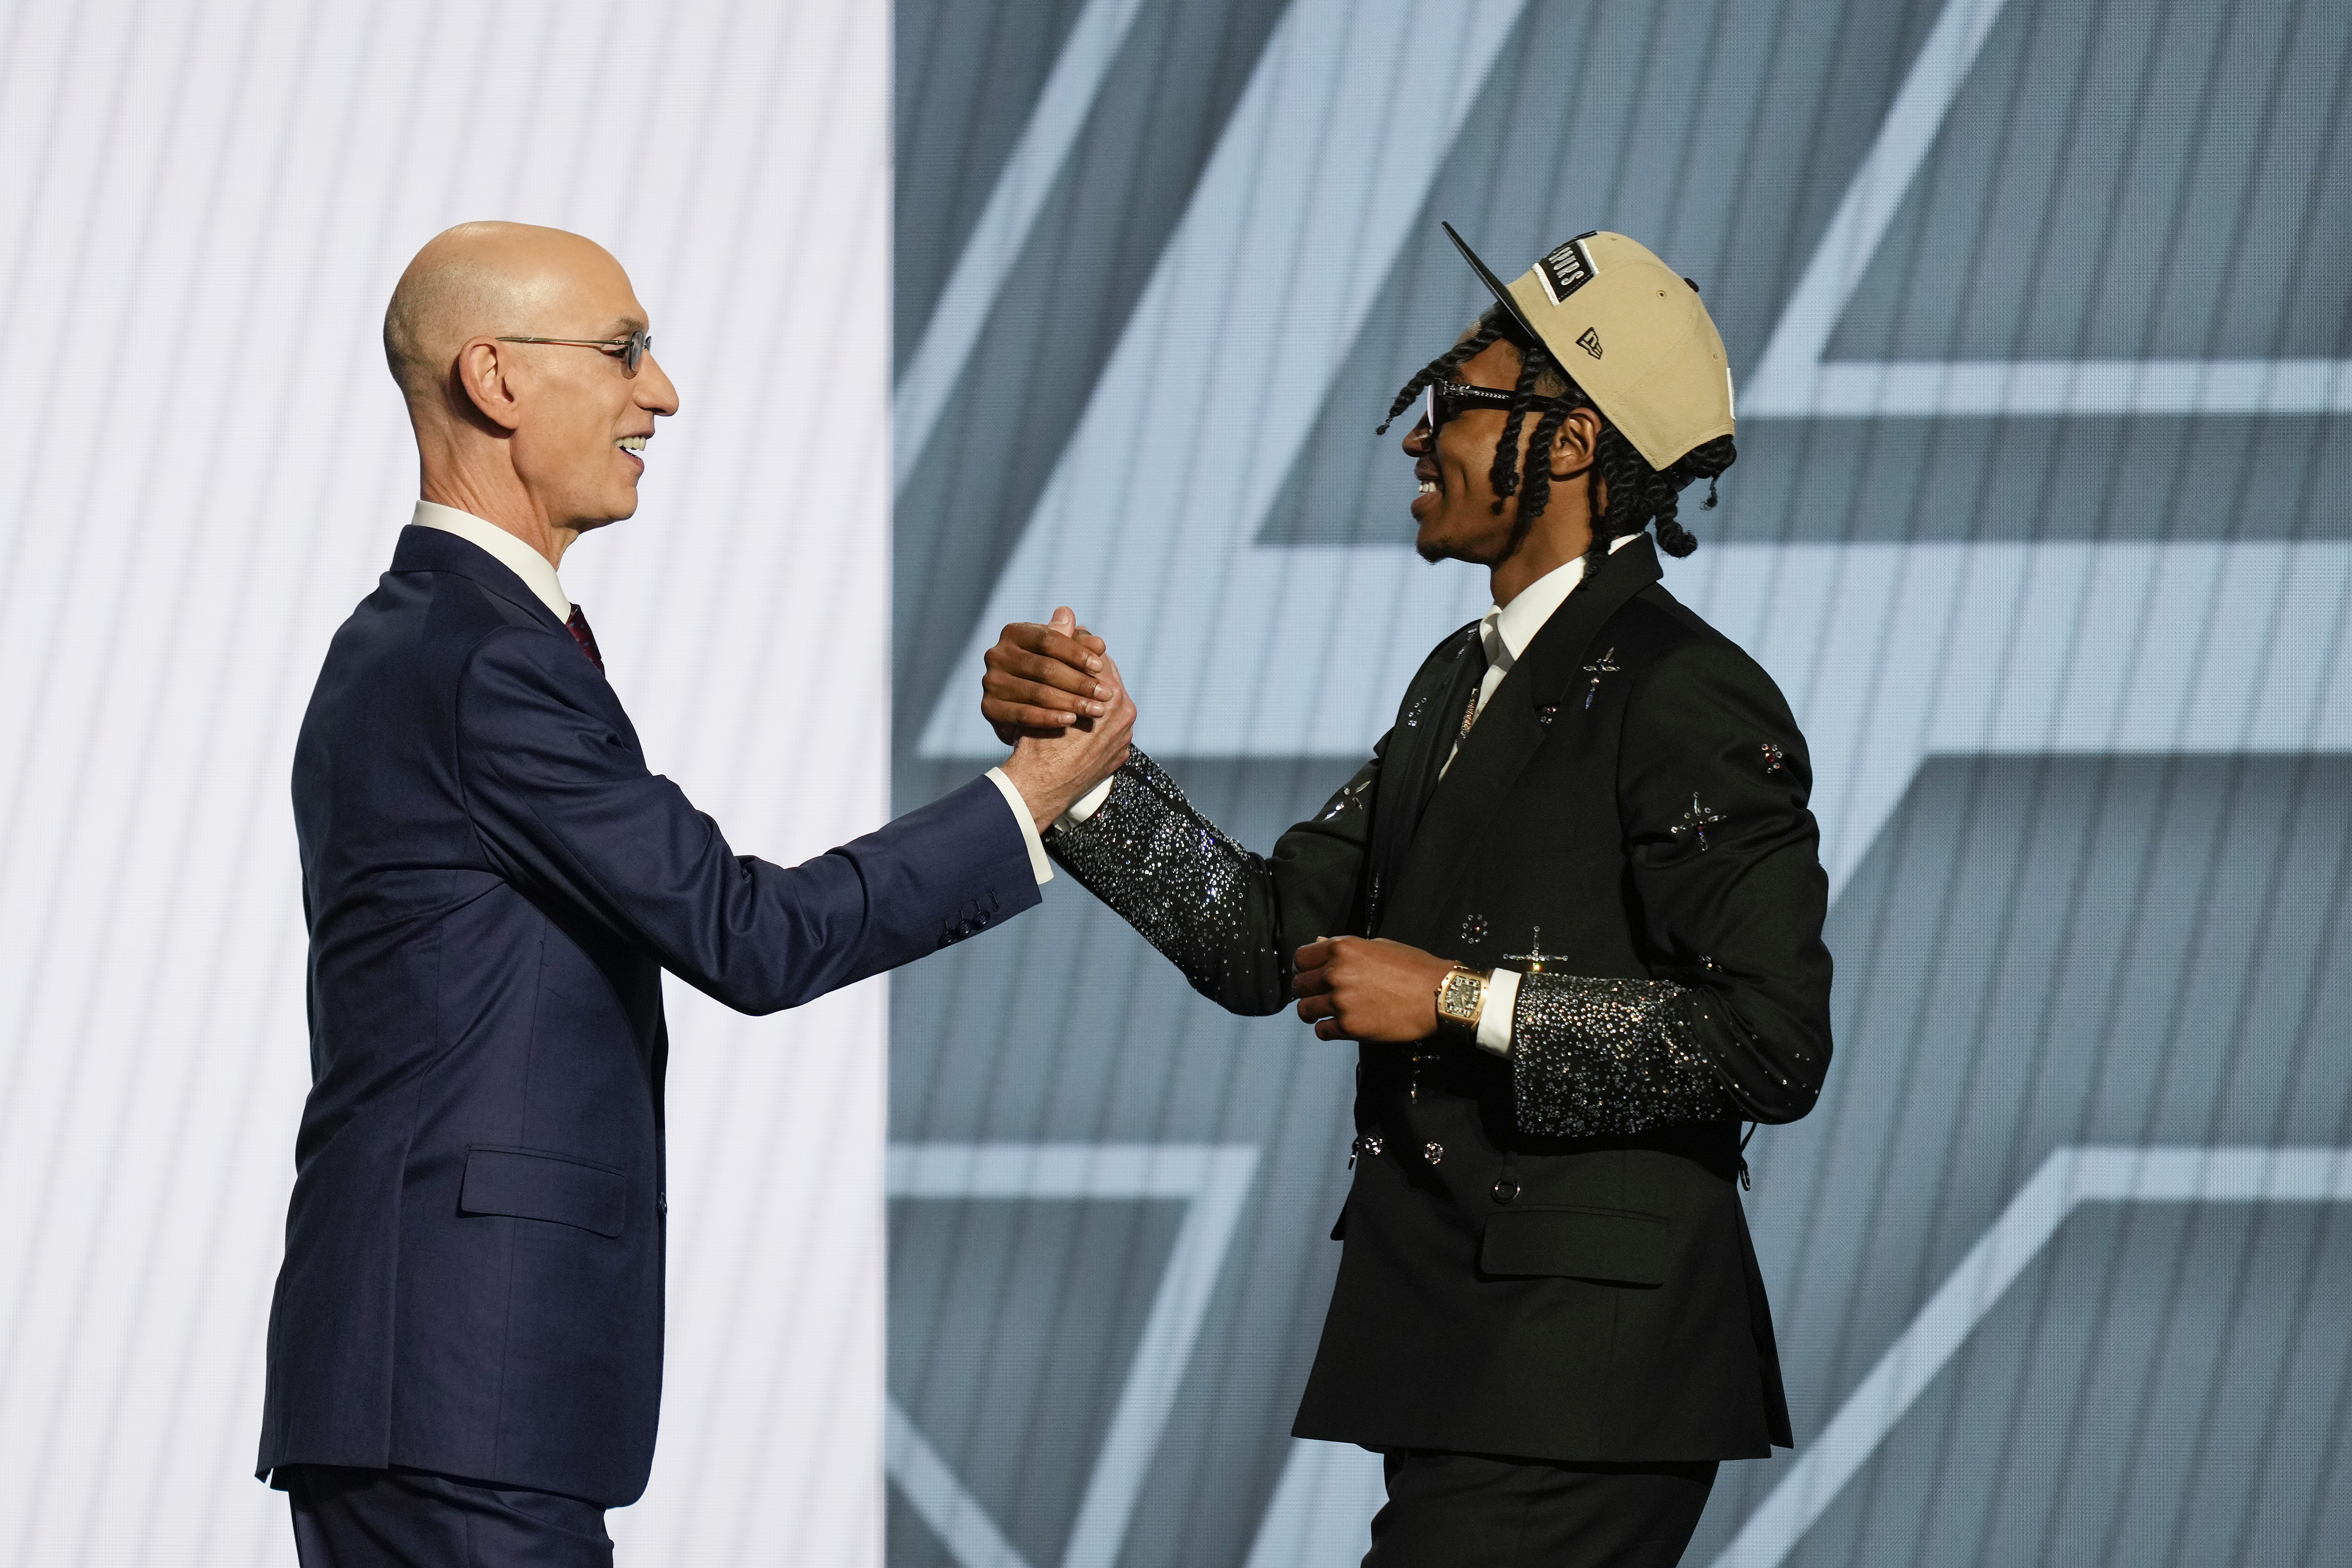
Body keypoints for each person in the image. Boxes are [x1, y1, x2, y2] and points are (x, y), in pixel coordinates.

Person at [258, 221, 1134, 1566]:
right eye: (622, 351)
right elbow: (750, 933)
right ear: (494, 377)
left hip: (436, 1386)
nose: (658, 393)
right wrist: (1027, 796)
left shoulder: (436, 639)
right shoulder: (483, 663)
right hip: (456, 1388)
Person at [982, 228, 1832, 1567]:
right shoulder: (1459, 678)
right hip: (1472, 1355)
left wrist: (1456, 999)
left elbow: (1769, 1040)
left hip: (1584, 1382)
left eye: (1455, 401)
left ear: (1564, 443)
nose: (1415, 438)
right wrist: (1083, 767)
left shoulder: (1686, 693)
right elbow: (1269, 942)